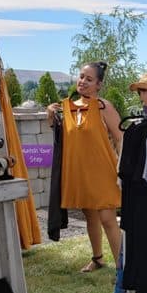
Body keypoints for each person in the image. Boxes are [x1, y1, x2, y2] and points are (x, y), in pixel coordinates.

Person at [46, 61, 123, 273]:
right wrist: (51, 117)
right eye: (81, 77)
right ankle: (98, 258)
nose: (83, 82)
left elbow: (120, 137)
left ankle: (122, 268)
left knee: (108, 219)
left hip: (105, 171)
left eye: (89, 79)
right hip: (81, 172)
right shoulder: (65, 108)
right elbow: (62, 137)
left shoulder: (103, 107)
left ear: (98, 84)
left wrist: (122, 167)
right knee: (90, 216)